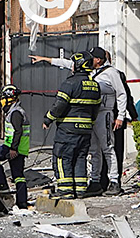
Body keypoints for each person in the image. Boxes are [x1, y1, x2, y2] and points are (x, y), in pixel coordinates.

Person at [32, 48, 127, 196]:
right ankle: (95, 182)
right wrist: (46, 59)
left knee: (108, 148)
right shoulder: (90, 74)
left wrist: (120, 115)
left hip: (104, 114)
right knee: (93, 151)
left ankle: (114, 181)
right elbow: (67, 63)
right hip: (91, 117)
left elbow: (122, 93)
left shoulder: (111, 73)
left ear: (98, 60)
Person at [42, 52, 100, 199]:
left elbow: (59, 105)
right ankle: (80, 190)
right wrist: (89, 124)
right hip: (86, 130)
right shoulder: (95, 85)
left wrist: (48, 119)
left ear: (78, 65)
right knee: (80, 158)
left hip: (68, 130)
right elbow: (96, 109)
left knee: (62, 157)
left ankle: (65, 190)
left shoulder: (69, 84)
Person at [100, 52, 138, 193]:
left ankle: (112, 182)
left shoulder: (115, 74)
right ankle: (105, 181)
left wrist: (130, 115)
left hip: (115, 118)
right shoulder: (97, 73)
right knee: (109, 150)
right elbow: (128, 97)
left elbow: (125, 96)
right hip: (109, 117)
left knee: (113, 149)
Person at [0, 85, 30, 209]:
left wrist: (13, 149)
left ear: (9, 98)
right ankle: (21, 202)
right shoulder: (13, 111)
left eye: (2, 98)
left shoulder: (16, 112)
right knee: (18, 175)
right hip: (14, 147)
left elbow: (18, 131)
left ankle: (2, 186)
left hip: (14, 148)